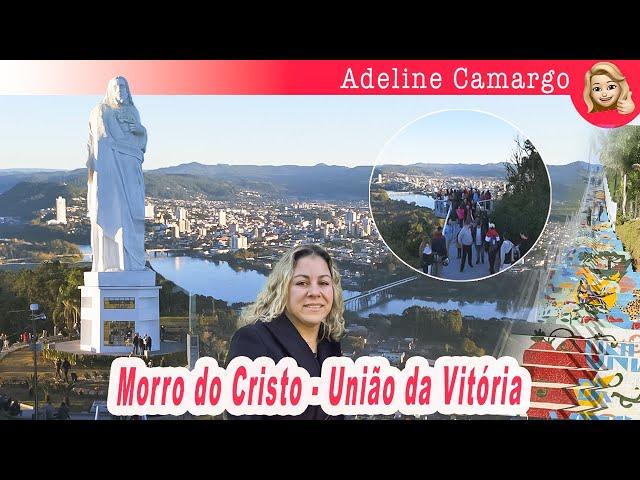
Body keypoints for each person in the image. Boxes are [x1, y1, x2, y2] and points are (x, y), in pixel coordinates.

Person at [226, 244, 344, 420]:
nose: (314, 292)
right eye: (302, 283)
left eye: (323, 283)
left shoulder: (330, 346)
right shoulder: (253, 341)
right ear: (283, 289)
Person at [87, 76, 148, 272]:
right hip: (111, 173)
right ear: (110, 90)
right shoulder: (101, 111)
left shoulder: (133, 111)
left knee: (132, 215)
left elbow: (140, 143)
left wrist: (141, 130)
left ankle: (134, 263)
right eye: (116, 86)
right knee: (116, 213)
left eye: (124, 86)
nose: (120, 89)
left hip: (132, 171)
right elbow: (102, 141)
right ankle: (114, 263)